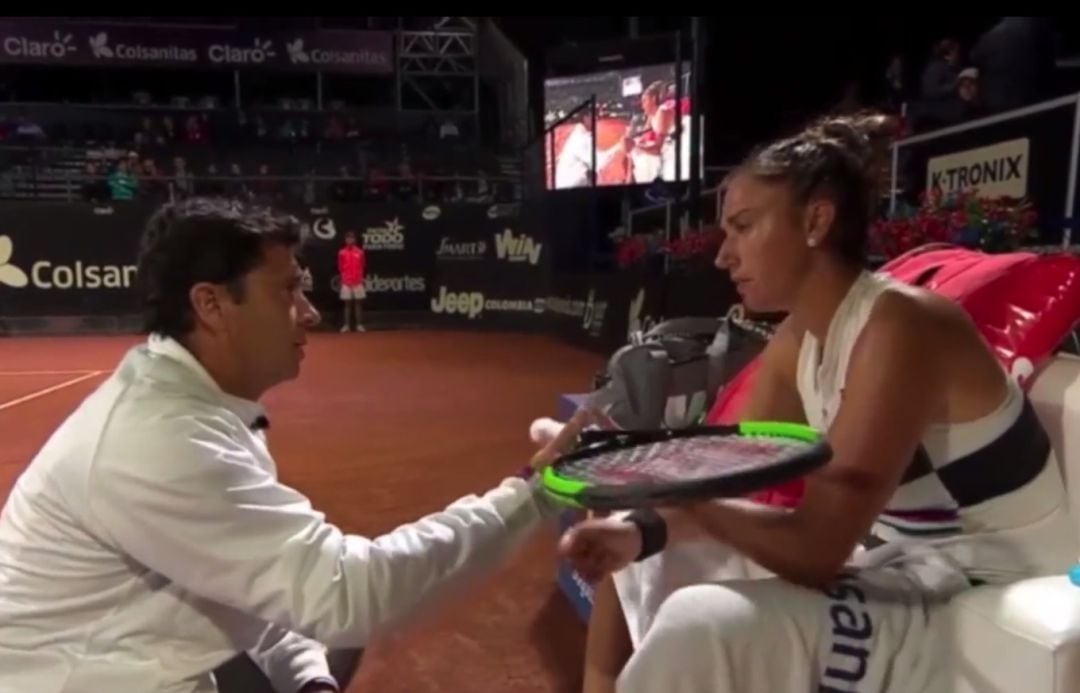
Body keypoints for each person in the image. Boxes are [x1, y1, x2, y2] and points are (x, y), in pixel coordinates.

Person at [555, 114, 1079, 692]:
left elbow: (817, 550)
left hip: (990, 588)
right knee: (643, 558)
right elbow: (726, 484)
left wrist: (678, 499)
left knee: (699, 622)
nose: (723, 256)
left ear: (816, 221)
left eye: (744, 226)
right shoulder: (797, 342)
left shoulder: (901, 325)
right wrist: (637, 526)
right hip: (910, 570)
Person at [0, 197, 592, 693]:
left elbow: (245, 584)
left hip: (128, 661)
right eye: (287, 291)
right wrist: (536, 493)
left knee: (332, 639)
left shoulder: (197, 406)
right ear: (211, 305)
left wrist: (308, 679)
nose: (309, 312)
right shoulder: (161, 440)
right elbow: (350, 594)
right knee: (349, 615)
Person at [337, 230, 365, 332]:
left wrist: (359, 278)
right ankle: (346, 325)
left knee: (358, 304)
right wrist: (344, 279)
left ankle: (359, 325)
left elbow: (362, 266)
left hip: (358, 281)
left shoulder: (360, 252)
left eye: (351, 238)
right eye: (347, 238)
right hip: (346, 282)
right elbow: (340, 268)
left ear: (354, 240)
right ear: (345, 240)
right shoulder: (341, 253)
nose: (349, 240)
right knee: (347, 305)